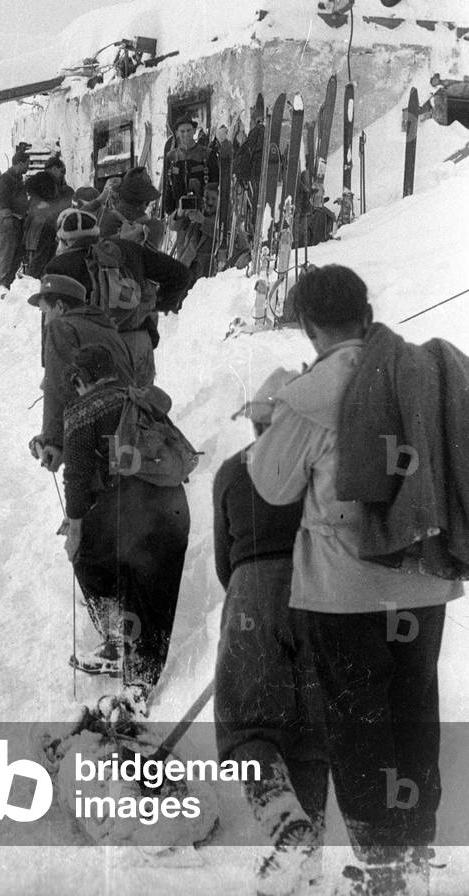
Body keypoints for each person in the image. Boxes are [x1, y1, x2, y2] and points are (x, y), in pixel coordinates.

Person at [248, 265, 465, 895]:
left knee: (358, 725)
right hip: (423, 582)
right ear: (365, 313)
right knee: (415, 714)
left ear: (310, 326)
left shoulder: (310, 395)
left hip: (346, 594)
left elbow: (273, 484)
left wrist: (269, 416)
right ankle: (415, 858)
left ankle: (382, 873)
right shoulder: (417, 370)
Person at [213, 445, 328, 896]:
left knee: (249, 724)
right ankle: (308, 868)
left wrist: (253, 603)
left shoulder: (231, 471)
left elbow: (225, 563)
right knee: (312, 732)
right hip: (320, 594)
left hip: (252, 590)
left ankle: (284, 820)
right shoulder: (319, 461)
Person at [61, 343, 190, 699]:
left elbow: (76, 478)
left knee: (87, 555)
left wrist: (75, 530)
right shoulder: (140, 400)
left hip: (131, 509)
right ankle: (142, 681)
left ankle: (117, 642)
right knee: (153, 596)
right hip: (173, 506)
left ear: (82, 379)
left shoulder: (82, 411)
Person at [45, 208, 190, 386]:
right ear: (96, 232)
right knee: (140, 408)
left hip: (93, 356)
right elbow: (181, 274)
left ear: (65, 240)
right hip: (137, 344)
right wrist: (157, 306)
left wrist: (49, 369)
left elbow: (52, 320)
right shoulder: (128, 249)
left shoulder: (58, 267)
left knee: (99, 411)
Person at [27, 274, 136, 473]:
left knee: (92, 500)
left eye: (45, 312)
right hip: (128, 435)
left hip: (95, 439)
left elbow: (59, 388)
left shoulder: (60, 327)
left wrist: (54, 441)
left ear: (60, 306)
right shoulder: (109, 329)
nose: (44, 322)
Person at [164, 115, 218, 216]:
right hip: (180, 214)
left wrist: (209, 216)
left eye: (189, 130)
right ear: (177, 133)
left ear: (194, 131)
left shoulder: (207, 154)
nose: (186, 134)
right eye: (182, 131)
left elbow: (214, 185)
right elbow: (168, 187)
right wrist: (171, 214)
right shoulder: (171, 156)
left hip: (202, 213)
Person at [0, 147, 30, 290]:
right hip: (7, 221)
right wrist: (8, 221)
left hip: (17, 221)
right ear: (19, 163)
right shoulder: (5, 179)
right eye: (26, 163)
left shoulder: (18, 178)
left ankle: (7, 284)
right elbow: (3, 202)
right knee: (7, 254)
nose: (28, 166)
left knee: (16, 255)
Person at [169, 181, 219, 283]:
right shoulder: (195, 211)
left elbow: (222, 234)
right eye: (206, 198)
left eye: (213, 199)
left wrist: (203, 222)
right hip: (185, 266)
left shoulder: (223, 219)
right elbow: (173, 226)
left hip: (205, 271)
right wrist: (180, 213)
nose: (209, 202)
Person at [23, 171, 70, 278]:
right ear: (55, 168)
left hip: (44, 227)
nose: (61, 174)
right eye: (60, 171)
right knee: (40, 260)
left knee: (44, 258)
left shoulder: (52, 184)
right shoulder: (46, 179)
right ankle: (32, 282)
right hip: (43, 227)